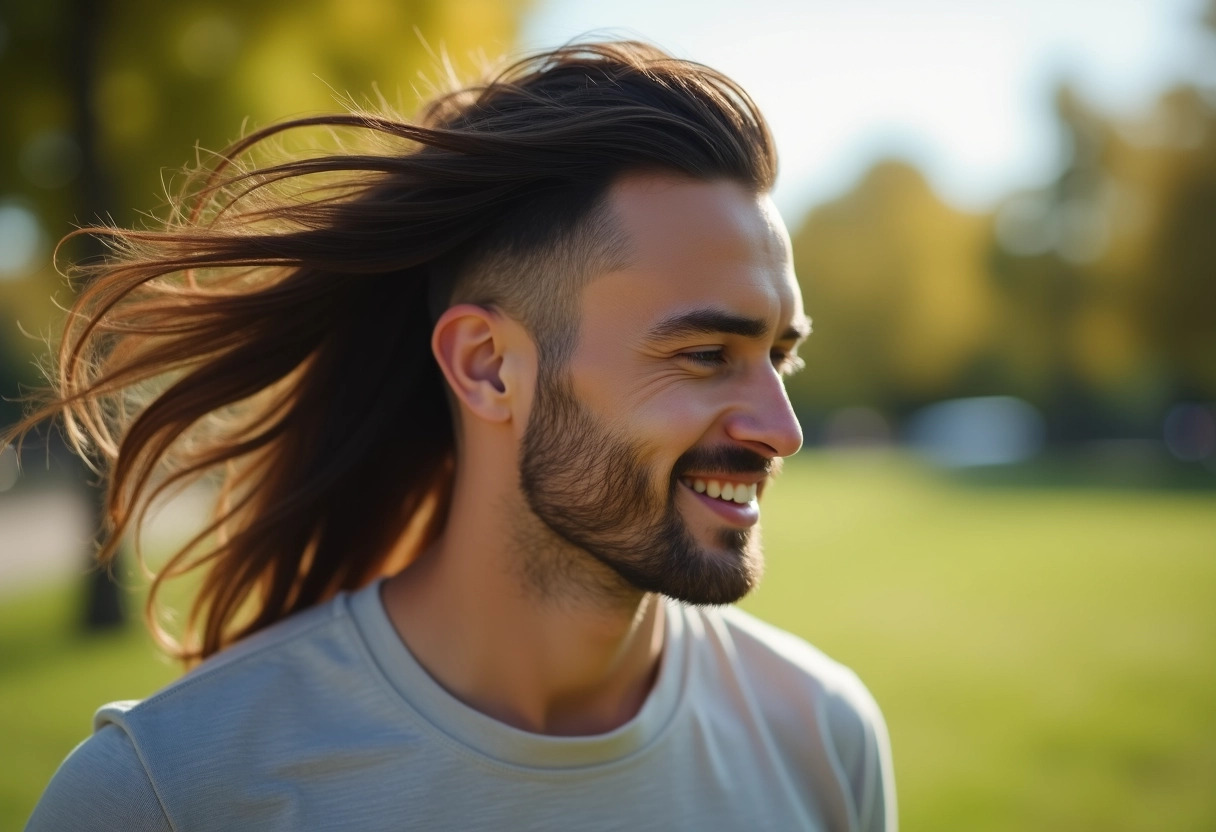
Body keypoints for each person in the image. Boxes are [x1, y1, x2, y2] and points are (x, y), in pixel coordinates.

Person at [15, 40, 896, 831]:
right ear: (486, 366)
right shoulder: (168, 794)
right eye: (707, 353)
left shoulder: (823, 736)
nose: (780, 429)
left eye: (781, 355)